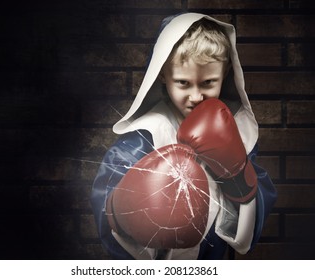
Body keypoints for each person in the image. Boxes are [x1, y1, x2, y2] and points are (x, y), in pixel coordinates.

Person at [90, 13, 277, 260]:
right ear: (162, 76)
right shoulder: (144, 138)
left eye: (209, 82)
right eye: (183, 83)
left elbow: (256, 208)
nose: (196, 96)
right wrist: (123, 211)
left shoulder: (237, 131)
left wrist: (239, 178)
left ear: (226, 73)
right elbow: (106, 202)